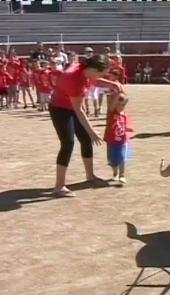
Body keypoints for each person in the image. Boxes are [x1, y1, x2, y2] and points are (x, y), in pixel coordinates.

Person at [48, 54, 122, 197]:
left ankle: (90, 176)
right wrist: (92, 131)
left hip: (71, 106)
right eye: (102, 73)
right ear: (94, 70)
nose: (104, 76)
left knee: (85, 139)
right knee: (67, 143)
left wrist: (111, 84)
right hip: (60, 109)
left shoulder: (85, 70)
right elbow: (79, 110)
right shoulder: (74, 79)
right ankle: (59, 186)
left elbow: (94, 80)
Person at [104, 92, 133, 183]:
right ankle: (115, 174)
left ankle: (122, 175)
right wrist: (117, 93)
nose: (121, 107)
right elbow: (112, 104)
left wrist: (128, 129)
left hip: (122, 141)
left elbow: (127, 126)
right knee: (113, 159)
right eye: (118, 104)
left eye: (123, 105)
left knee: (122, 158)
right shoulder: (111, 113)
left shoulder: (124, 116)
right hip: (112, 141)